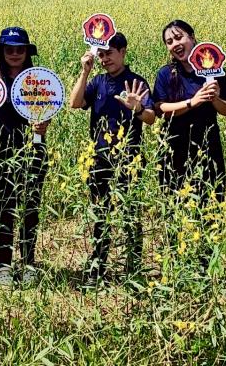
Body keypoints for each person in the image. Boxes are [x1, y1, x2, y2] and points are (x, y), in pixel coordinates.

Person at [69, 32, 155, 286]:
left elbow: (151, 117)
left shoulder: (136, 82)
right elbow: (75, 103)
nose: (106, 59)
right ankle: (98, 267)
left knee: (130, 214)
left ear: (123, 52)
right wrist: (84, 72)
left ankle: (133, 268)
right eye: (102, 55)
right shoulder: (97, 82)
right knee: (100, 214)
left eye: (110, 53)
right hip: (99, 158)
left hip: (130, 157)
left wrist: (137, 107)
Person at [152, 20, 226, 269]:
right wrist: (192, 101)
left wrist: (214, 96)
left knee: (211, 204)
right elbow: (159, 108)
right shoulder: (166, 74)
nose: (176, 44)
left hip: (208, 147)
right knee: (175, 205)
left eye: (179, 38)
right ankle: (178, 261)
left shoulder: (215, 70)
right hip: (174, 148)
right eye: (169, 42)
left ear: (192, 36)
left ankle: (206, 263)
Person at [0, 27, 49, 287]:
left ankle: (29, 263)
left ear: (27, 52)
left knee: (30, 206)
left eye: (20, 49)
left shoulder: (39, 80)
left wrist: (43, 126)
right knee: (3, 208)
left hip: (33, 150)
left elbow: (49, 109)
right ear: (1, 52)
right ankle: (4, 265)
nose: (14, 53)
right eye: (9, 49)